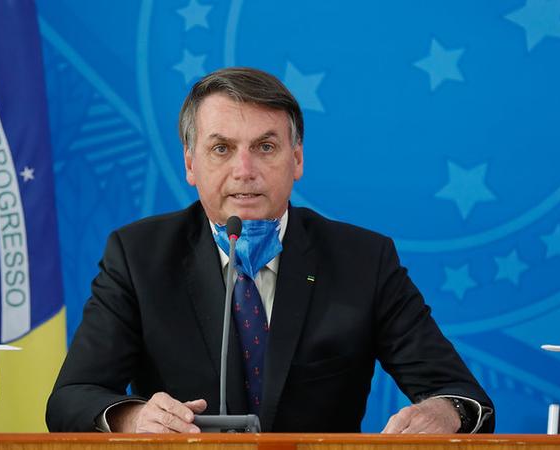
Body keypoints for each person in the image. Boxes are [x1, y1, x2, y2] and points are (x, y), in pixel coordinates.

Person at [46, 67, 494, 434]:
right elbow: (70, 399)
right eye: (221, 148)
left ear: (296, 159)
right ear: (190, 163)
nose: (245, 171)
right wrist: (133, 417)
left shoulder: (363, 260)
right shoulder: (138, 255)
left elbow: (465, 396)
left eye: (265, 147)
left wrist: (444, 413)